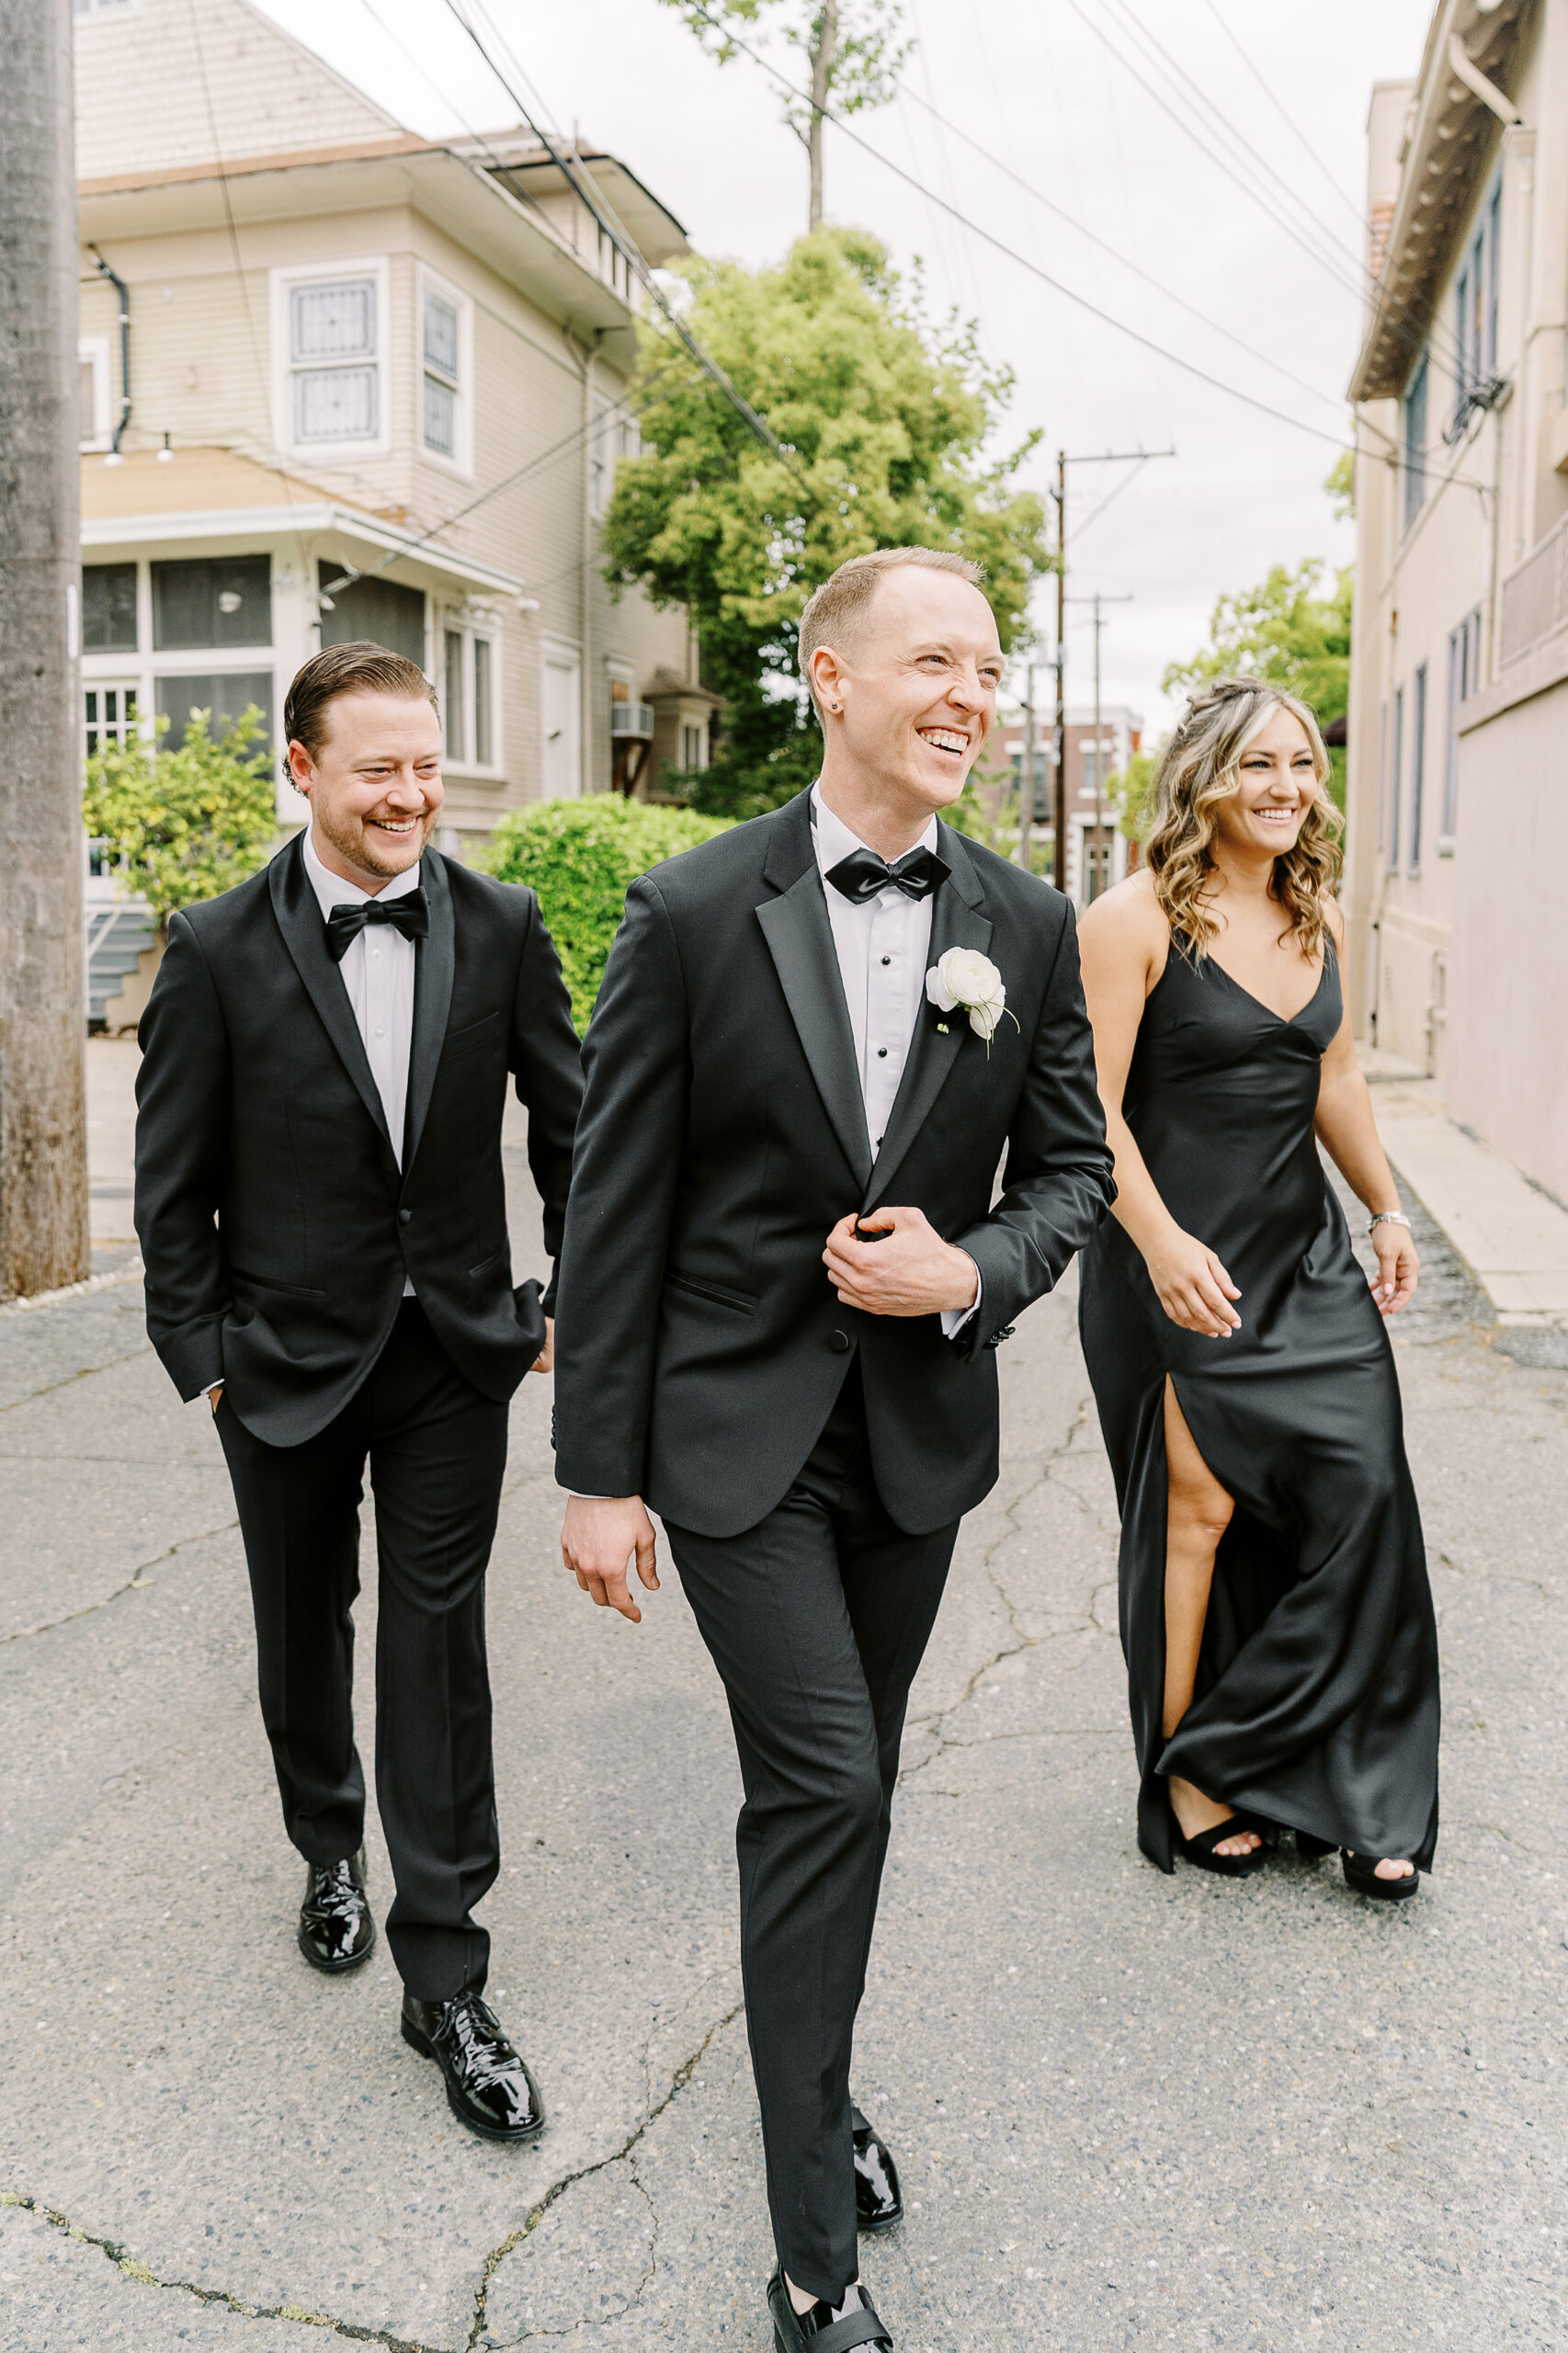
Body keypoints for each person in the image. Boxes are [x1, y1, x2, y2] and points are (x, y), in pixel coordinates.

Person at [552, 548, 1115, 2352]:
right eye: (936, 659)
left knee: (845, 1797)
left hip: (917, 1439)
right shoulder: (692, 906)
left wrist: (975, 1266)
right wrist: (592, 1470)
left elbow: (1074, 1173)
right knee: (826, 1787)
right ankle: (810, 2267)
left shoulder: (1022, 922)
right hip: (730, 1438)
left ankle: (813, 2087)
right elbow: (615, 1203)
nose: (973, 692)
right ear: (832, 676)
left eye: (992, 667)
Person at [134, 642, 582, 2140]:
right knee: (301, 1622)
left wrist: (567, 1294)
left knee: (438, 1646)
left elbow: (569, 1128)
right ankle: (327, 1844)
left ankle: (442, 1973)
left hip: (458, 1350)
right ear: (303, 769)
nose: (410, 794)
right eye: (377, 767)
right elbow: (171, 1184)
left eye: (426, 763)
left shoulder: (504, 924)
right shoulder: (210, 948)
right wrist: (202, 1359)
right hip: (280, 1361)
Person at [1076, 676, 1439, 1900]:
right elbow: (1090, 1115)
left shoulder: (1316, 915)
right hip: (1176, 1260)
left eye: (1300, 764)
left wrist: (1383, 1207)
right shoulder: (1129, 921)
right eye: (1257, 765)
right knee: (1200, 1518)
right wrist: (1164, 1246)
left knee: (1363, 1497)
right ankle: (1191, 1776)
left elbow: (1332, 1077)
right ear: (1203, 780)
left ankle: (1359, 1786)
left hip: (1304, 1257)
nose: (1286, 786)